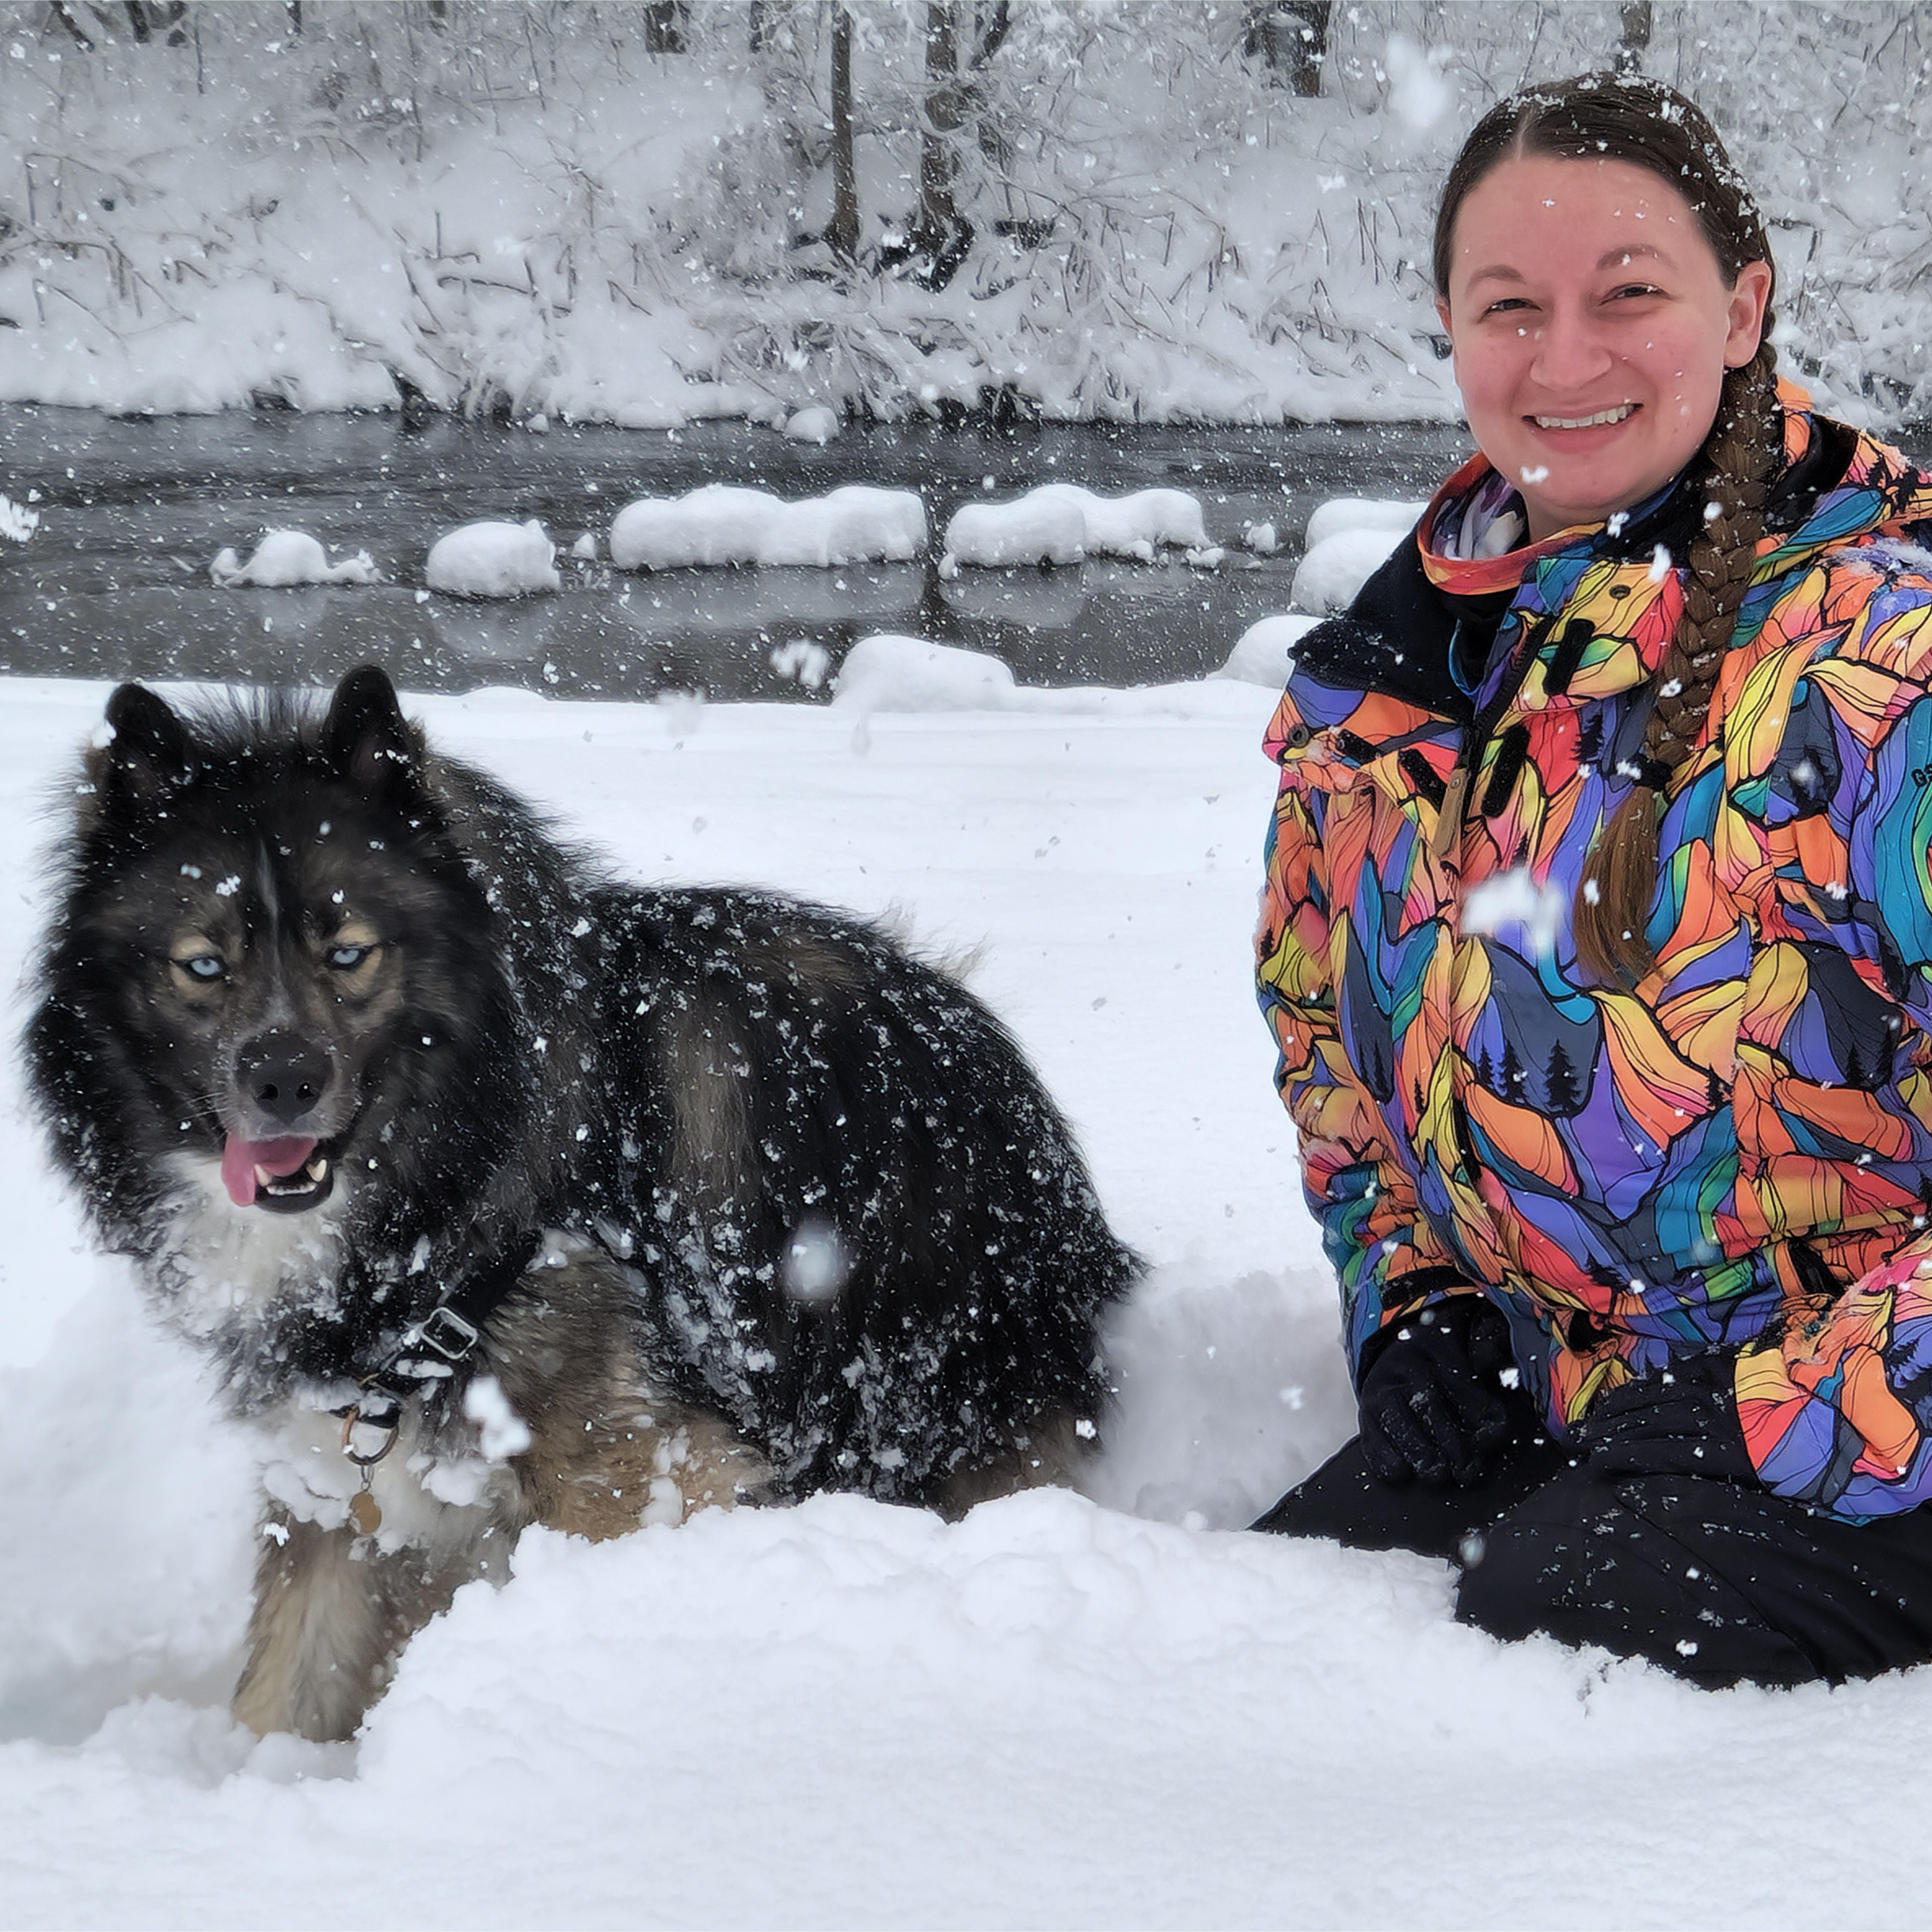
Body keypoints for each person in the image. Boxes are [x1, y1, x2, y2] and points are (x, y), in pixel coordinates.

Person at [1252, 72, 1932, 1687]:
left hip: (1882, 1429)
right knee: (1266, 1619)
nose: (1564, 361)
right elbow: (1324, 1049)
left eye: (1627, 294)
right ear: (1449, 326)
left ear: (1742, 305)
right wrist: (1416, 1306)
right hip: (1594, 1406)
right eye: (1510, 307)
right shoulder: (1389, 689)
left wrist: (1781, 1412)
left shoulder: (1886, 666)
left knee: (1530, 1640)